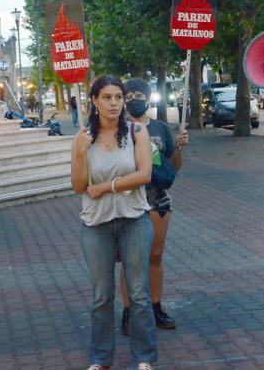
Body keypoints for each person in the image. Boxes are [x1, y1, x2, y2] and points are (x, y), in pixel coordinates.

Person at [71, 75, 158, 370]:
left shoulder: (137, 132)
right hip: (96, 225)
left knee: (139, 294)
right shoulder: (83, 137)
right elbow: (79, 185)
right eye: (107, 97)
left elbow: (144, 175)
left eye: (118, 97)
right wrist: (81, 153)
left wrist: (106, 187)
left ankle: (144, 358)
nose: (114, 103)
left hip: (134, 220)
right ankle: (100, 359)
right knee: (101, 297)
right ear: (94, 101)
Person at [118, 78, 189, 336]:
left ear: (149, 98)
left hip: (158, 201)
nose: (134, 99)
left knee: (155, 256)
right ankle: (128, 312)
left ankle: (156, 307)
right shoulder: (117, 129)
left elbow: (173, 167)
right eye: (130, 94)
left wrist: (179, 148)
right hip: (129, 202)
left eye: (140, 94)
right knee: (130, 260)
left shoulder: (160, 128)